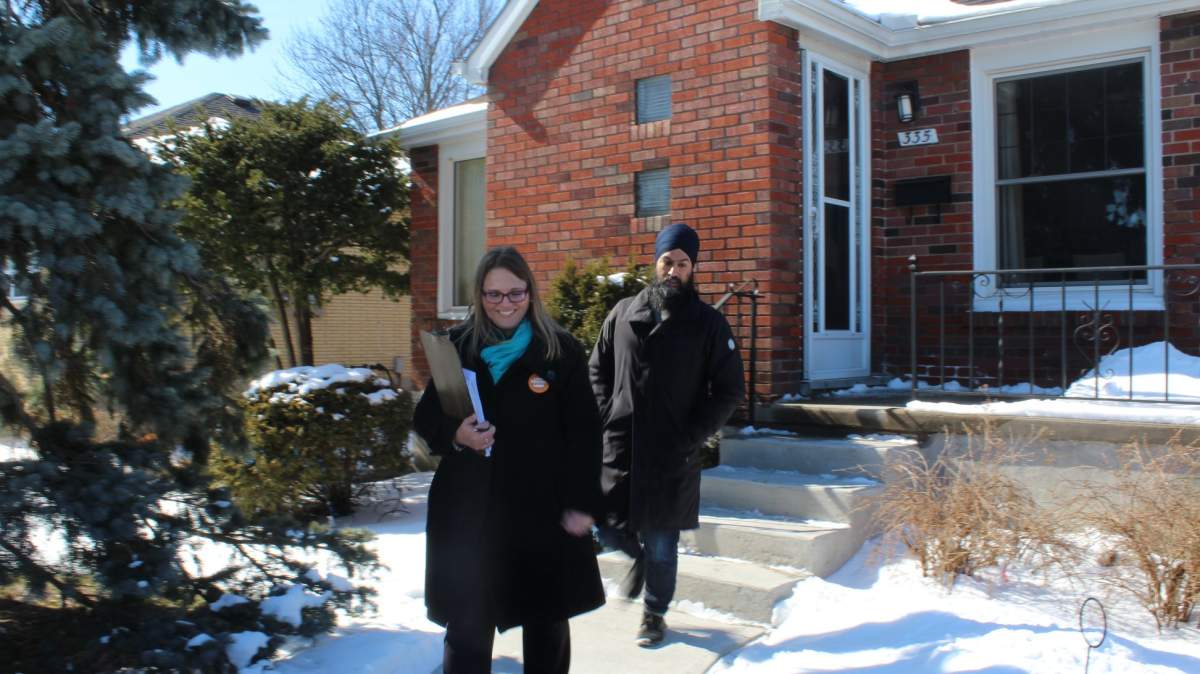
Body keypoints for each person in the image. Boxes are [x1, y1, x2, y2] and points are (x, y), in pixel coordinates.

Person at [413, 246, 605, 674]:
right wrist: (456, 434)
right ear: (480, 296)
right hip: (471, 514)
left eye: (515, 293)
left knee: (546, 625)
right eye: (493, 294)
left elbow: (586, 435)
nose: (505, 304)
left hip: (540, 512)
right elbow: (426, 418)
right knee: (466, 629)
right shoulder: (458, 347)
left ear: (530, 292)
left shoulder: (560, 351)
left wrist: (582, 502)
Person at [589, 222, 745, 647]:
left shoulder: (708, 324)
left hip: (671, 452)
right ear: (654, 264)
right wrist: (607, 415)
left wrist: (694, 434)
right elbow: (597, 370)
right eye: (666, 262)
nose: (673, 271)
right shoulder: (622, 312)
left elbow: (729, 389)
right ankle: (633, 560)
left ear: (693, 269)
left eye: (682, 264)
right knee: (607, 525)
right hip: (620, 447)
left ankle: (654, 613)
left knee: (661, 542)